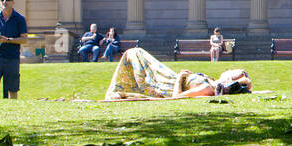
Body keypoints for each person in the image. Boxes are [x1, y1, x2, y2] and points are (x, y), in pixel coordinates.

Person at [105, 46, 252, 101]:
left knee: (134, 52)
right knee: (135, 53)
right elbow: (246, 81)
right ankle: (118, 88)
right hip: (169, 76)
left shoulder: (207, 88)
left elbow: (176, 97)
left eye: (231, 74)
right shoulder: (211, 83)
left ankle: (117, 89)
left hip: (167, 83)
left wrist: (180, 77)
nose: (228, 72)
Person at [0, 0, 28, 99]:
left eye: (8, 0)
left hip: (12, 58)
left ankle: (12, 111)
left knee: (12, 89)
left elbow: (24, 39)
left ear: (13, 2)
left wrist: (7, 40)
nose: (5, 2)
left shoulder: (19, 19)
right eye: (2, 0)